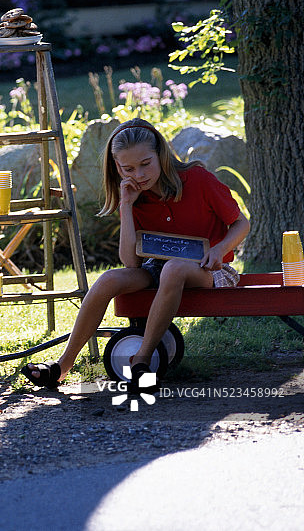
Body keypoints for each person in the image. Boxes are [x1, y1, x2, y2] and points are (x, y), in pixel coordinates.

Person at [21, 118, 250, 392]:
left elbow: (241, 223)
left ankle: (141, 362)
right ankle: (61, 367)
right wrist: (127, 205)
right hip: (158, 268)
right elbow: (131, 262)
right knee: (108, 279)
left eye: (145, 164)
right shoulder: (132, 195)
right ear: (117, 167)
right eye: (128, 168)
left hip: (208, 269)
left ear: (160, 155)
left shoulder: (198, 180)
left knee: (174, 269)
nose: (139, 174)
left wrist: (220, 249)